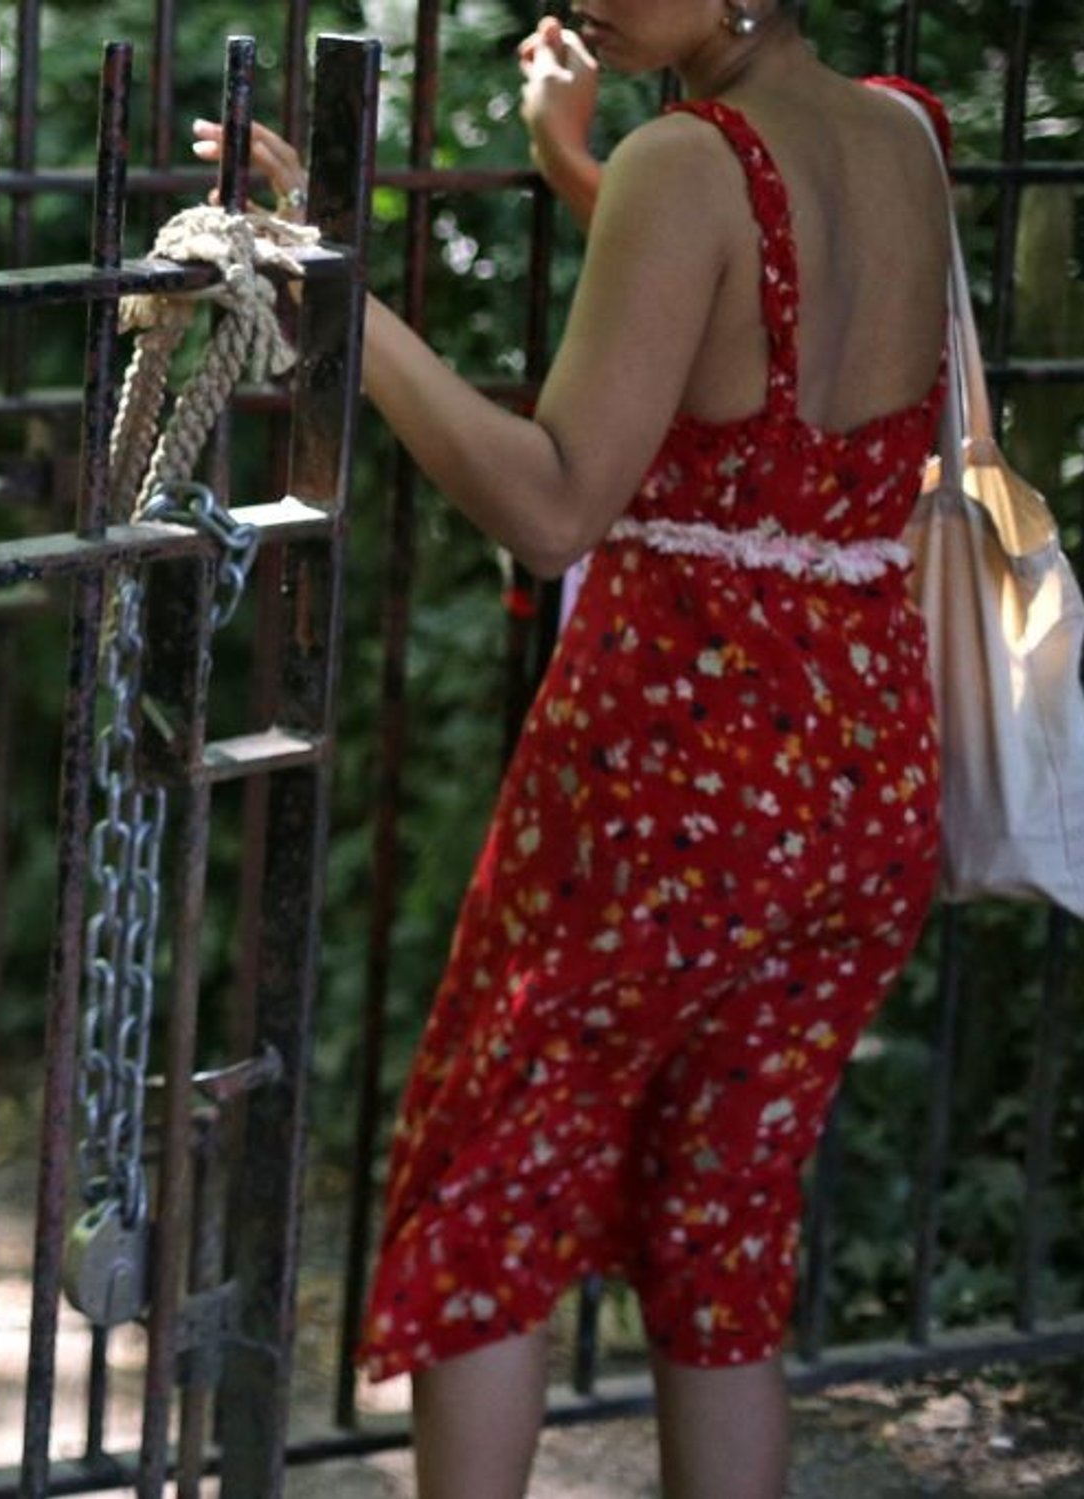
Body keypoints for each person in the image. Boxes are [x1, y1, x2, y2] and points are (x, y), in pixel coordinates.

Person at [196, 3, 952, 1496]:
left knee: (488, 1185)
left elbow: (553, 508)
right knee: (722, 1230)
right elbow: (748, 322)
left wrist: (336, 297)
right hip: (863, 767)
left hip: (682, 769)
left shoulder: (691, 161)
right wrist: (569, 161)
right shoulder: (902, 132)